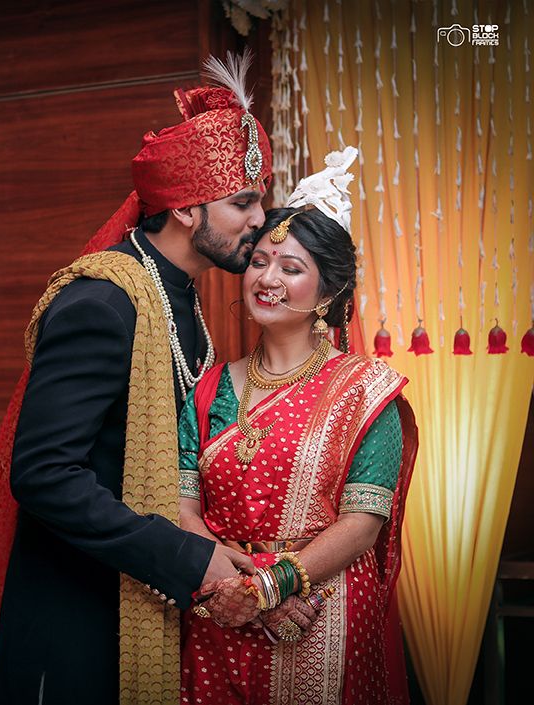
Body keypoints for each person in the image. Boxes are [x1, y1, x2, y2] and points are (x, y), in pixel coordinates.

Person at [0, 51, 272, 705]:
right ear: (185, 210)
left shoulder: (180, 294)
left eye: (260, 201)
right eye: (243, 202)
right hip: (74, 622)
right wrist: (184, 557)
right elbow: (42, 473)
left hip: (136, 601)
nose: (260, 220)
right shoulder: (105, 299)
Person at [177, 147, 418, 705]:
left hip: (320, 613)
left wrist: (273, 585)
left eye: (291, 269)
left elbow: (363, 523)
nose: (267, 279)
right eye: (260, 261)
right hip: (221, 608)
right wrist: (236, 591)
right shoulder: (208, 388)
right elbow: (184, 506)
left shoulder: (365, 390)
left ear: (327, 295)